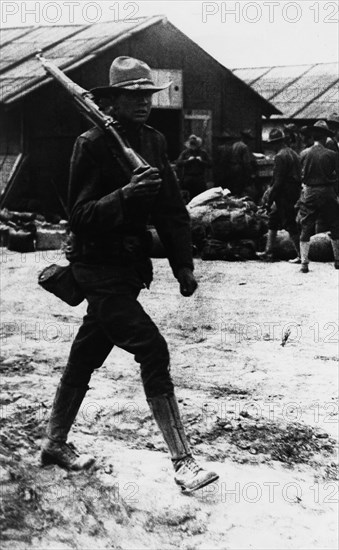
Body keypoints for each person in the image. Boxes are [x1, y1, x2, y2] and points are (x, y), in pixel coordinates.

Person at [40, 56, 218, 494]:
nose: (143, 103)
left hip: (127, 271)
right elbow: (79, 215)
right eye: (132, 96)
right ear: (112, 101)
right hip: (96, 269)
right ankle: (183, 461)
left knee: (85, 355)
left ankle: (54, 444)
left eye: (146, 96)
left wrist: (183, 264)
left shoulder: (154, 142)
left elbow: (173, 208)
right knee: (153, 350)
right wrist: (125, 194)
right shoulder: (91, 143)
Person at [298, 120, 339, 273]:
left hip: (309, 191)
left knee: (306, 224)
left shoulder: (303, 154)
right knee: (335, 223)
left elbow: (299, 176)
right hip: (327, 191)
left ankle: (304, 263)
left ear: (313, 136)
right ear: (325, 137)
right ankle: (338, 260)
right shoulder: (332, 155)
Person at [257, 129, 302, 262]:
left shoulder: (280, 156)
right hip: (294, 191)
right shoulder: (294, 154)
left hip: (285, 193)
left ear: (276, 143)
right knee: (273, 219)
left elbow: (278, 182)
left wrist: (269, 200)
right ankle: (268, 252)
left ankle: (301, 255)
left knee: (290, 222)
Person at [176, 134, 212, 201]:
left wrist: (202, 161)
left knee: (201, 198)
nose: (193, 146)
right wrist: (187, 161)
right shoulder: (185, 153)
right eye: (191, 144)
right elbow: (178, 163)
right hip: (188, 178)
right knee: (187, 198)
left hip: (199, 178)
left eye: (194, 144)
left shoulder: (203, 153)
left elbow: (210, 165)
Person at [230, 129, 257, 197]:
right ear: (246, 138)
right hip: (240, 170)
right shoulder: (244, 147)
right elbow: (246, 162)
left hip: (232, 168)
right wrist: (251, 173)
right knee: (241, 189)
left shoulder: (235, 144)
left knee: (235, 189)